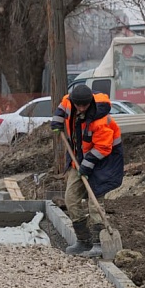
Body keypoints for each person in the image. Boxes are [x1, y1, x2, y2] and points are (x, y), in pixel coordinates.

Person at [50, 84, 124, 257]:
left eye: (85, 105)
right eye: (78, 105)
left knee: (94, 201)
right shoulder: (69, 102)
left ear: (90, 102)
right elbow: (62, 107)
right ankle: (83, 241)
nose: (81, 108)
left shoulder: (100, 120)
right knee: (71, 198)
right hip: (79, 157)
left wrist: (86, 166)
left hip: (103, 162)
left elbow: (103, 148)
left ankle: (99, 242)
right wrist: (57, 119)